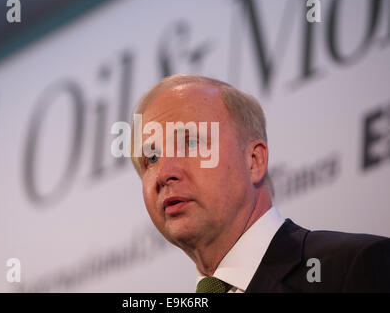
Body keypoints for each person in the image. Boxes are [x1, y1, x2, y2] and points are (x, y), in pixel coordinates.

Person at [129, 74, 390, 292]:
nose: (164, 173)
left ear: (254, 161)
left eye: (190, 142)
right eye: (151, 158)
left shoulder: (357, 268)